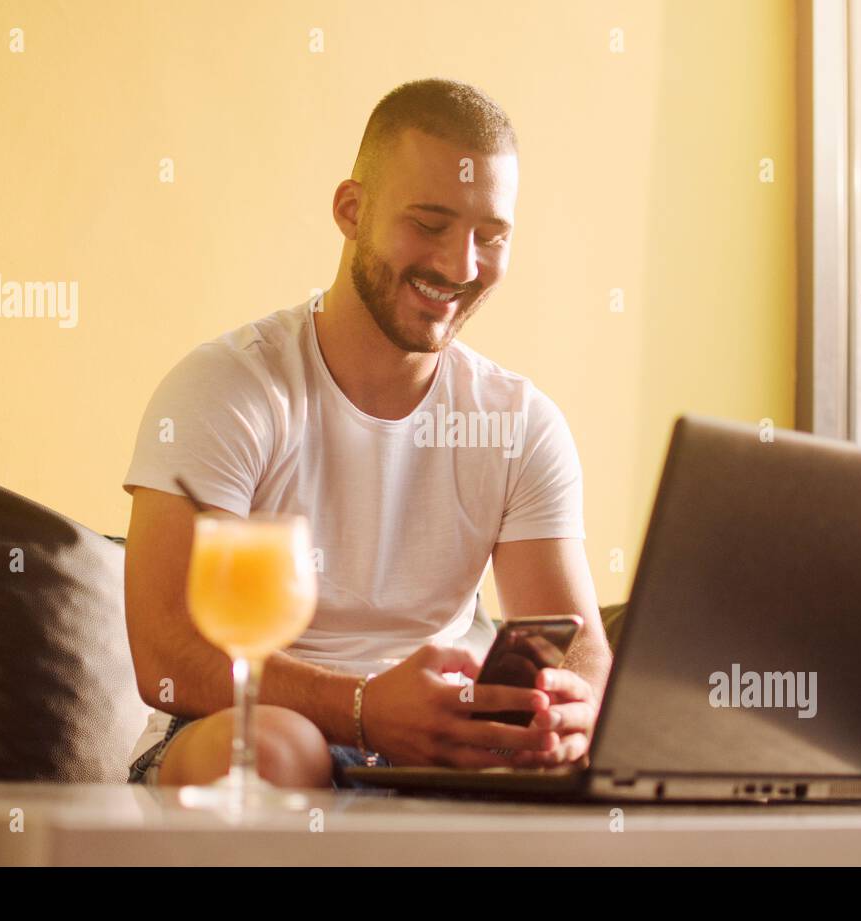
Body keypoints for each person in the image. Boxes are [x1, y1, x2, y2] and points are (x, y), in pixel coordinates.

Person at [122, 78, 611, 788]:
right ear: (353, 211)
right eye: (431, 224)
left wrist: (574, 708)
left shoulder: (519, 424)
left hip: (429, 756)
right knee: (282, 748)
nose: (460, 265)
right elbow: (166, 655)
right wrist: (362, 708)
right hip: (241, 731)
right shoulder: (227, 389)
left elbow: (581, 646)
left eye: (490, 236)